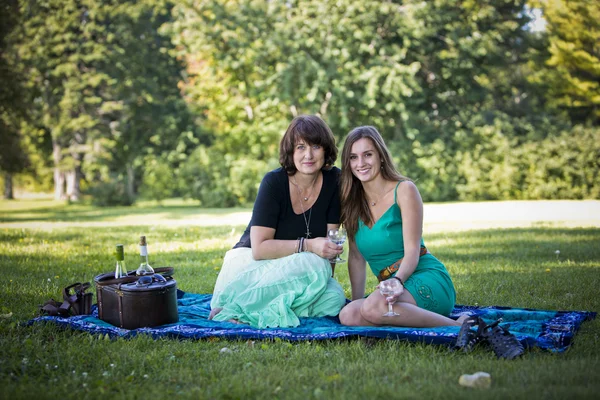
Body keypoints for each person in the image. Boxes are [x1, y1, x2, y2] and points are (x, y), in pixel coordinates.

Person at [209, 115, 346, 328]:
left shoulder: (334, 182)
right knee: (313, 263)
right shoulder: (273, 182)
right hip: (249, 268)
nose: (308, 155)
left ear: (326, 150)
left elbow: (329, 249)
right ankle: (231, 309)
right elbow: (259, 249)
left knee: (334, 298)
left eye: (316, 146)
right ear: (290, 151)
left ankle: (261, 312)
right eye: (300, 147)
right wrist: (309, 246)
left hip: (295, 272)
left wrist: (320, 278)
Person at [338, 126, 466, 328]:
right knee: (349, 315)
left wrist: (397, 280)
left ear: (381, 156)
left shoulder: (404, 190)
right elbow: (355, 257)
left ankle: (460, 326)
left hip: (423, 276)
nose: (360, 163)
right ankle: (442, 322)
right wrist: (357, 301)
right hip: (390, 288)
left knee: (372, 308)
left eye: (367, 155)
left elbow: (413, 250)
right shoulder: (351, 203)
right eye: (353, 157)